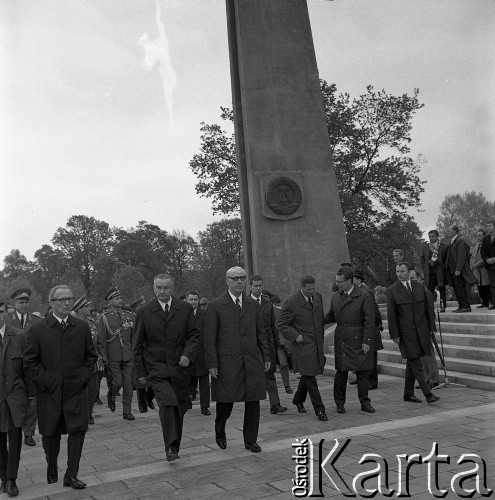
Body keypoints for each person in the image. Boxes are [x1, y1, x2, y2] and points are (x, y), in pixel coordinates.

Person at [23, 285, 97, 490]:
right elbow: (30, 362)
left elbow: (91, 356)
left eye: (69, 299)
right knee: (50, 434)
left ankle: (71, 475)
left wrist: (82, 377)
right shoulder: (38, 330)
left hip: (76, 390)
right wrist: (46, 380)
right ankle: (52, 465)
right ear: (52, 303)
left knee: (78, 430)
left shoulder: (80, 327)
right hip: (49, 393)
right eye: (62, 300)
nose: (67, 303)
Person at [133, 274, 200, 461]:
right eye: (158, 288)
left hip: (179, 368)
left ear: (172, 288)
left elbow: (194, 335)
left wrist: (188, 354)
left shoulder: (184, 308)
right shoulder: (144, 312)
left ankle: (175, 446)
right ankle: (170, 447)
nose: (162, 291)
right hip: (156, 367)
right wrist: (140, 373)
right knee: (168, 401)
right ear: (153, 288)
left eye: (166, 288)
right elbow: (137, 345)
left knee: (180, 407)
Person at [204, 266, 270, 453]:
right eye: (235, 279)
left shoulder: (252, 305)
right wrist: (212, 364)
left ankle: (250, 440)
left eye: (242, 278)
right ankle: (220, 428)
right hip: (227, 363)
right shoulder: (216, 306)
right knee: (226, 401)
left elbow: (260, 332)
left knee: (253, 401)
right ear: (227, 281)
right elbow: (209, 339)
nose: (239, 281)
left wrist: (265, 355)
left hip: (251, 360)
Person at [386, 262, 440, 405]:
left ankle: (408, 394)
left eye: (402, 271)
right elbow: (391, 315)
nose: (399, 274)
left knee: (412, 361)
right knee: (416, 362)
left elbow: (428, 309)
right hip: (405, 333)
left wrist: (431, 327)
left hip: (421, 331)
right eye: (397, 271)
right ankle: (428, 394)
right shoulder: (392, 290)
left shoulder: (420, 287)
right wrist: (394, 334)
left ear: (409, 272)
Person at [325, 268, 376, 414]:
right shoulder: (336, 297)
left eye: (339, 281)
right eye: (336, 280)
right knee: (341, 372)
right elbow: (331, 316)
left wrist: (367, 340)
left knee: (363, 373)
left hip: (358, 338)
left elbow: (369, 320)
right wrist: (315, 320)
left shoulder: (364, 296)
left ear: (349, 281)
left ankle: (365, 402)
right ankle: (339, 403)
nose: (337, 284)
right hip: (341, 338)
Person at [277, 275, 327, 421]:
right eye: (309, 289)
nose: (312, 291)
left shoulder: (317, 297)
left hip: (316, 342)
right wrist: (295, 335)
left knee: (308, 373)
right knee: (310, 376)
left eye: (313, 288)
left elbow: (319, 319)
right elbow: (280, 323)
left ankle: (298, 399)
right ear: (302, 287)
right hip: (302, 345)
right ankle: (320, 409)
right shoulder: (292, 302)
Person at [5, 288, 40, 448]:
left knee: (32, 401)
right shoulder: (6, 320)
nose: (24, 305)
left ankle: (29, 433)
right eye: (20, 302)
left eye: (26, 302)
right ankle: (13, 430)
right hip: (12, 365)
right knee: (13, 399)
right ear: (14, 303)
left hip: (32, 366)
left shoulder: (37, 321)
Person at [0, 301, 27, 497]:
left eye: (0, 311)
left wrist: (31, 396)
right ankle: (3, 478)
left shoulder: (19, 335)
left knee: (15, 437)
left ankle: (11, 479)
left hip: (15, 397)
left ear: (6, 313)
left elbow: (27, 370)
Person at [249, 275, 287, 415]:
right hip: (253, 345)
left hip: (268, 343)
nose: (258, 288)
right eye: (256, 286)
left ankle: (275, 404)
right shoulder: (245, 303)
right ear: (250, 286)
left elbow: (273, 324)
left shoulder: (267, 302)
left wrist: (278, 344)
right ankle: (253, 405)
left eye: (260, 286)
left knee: (270, 374)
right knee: (254, 376)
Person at [97, 287, 135, 420]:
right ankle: (111, 395)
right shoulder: (105, 318)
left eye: (120, 298)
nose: (120, 301)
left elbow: (134, 336)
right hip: (113, 356)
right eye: (117, 298)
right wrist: (104, 357)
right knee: (117, 383)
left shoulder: (129, 316)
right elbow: (101, 340)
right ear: (110, 301)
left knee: (128, 384)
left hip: (128, 355)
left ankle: (127, 411)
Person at [72, 297, 103, 425]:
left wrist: (102, 356)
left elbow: (99, 341)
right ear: (79, 309)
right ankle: (81, 415)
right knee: (81, 391)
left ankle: (89, 413)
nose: (89, 309)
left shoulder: (92, 323)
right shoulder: (72, 323)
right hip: (79, 363)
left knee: (93, 389)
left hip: (94, 362)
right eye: (86, 307)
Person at [352, 270, 383, 390]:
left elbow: (374, 310)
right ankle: (363, 379)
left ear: (359, 280)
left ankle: (372, 381)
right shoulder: (357, 290)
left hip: (371, 328)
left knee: (371, 356)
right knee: (365, 356)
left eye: (353, 279)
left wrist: (378, 323)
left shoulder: (366, 291)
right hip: (364, 328)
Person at [409, 270, 440, 390]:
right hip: (416, 328)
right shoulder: (412, 291)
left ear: (420, 279)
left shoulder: (425, 291)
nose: (412, 281)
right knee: (421, 355)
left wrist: (432, 327)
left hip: (425, 327)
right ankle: (426, 378)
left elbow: (430, 311)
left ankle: (434, 379)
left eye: (414, 278)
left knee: (428, 354)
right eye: (410, 279)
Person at [185, 290, 211, 416]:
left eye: (195, 299)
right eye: (191, 299)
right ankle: (187, 401)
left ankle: (205, 406)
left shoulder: (205, 314)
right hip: (187, 353)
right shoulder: (182, 314)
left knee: (204, 381)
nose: (193, 302)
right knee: (187, 379)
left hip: (202, 353)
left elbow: (208, 333)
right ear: (186, 300)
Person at [129, 296, 155, 414]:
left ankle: (149, 398)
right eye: (141, 305)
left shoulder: (149, 317)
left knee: (153, 379)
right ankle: (142, 406)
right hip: (137, 353)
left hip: (150, 353)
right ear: (135, 309)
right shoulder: (130, 321)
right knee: (140, 381)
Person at [445, 225, 477, 313]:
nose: (447, 232)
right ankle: (461, 305)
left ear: (455, 231)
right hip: (452, 270)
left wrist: (458, 269)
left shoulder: (460, 240)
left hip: (457, 270)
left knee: (460, 287)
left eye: (449, 230)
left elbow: (461, 256)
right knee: (456, 288)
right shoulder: (453, 241)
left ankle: (465, 306)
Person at [422, 229, 448, 312]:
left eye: (433, 236)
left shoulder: (443, 246)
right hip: (430, 272)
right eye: (429, 236)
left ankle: (443, 306)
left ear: (437, 236)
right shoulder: (426, 247)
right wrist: (425, 266)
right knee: (429, 290)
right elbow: (422, 259)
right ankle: (429, 307)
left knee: (442, 289)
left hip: (440, 271)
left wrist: (443, 265)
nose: (431, 238)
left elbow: (447, 258)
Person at [471, 229, 492, 308]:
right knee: (480, 287)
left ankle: (491, 301)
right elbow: (473, 257)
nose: (478, 237)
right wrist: (473, 264)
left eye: (480, 235)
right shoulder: (476, 246)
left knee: (487, 287)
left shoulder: (487, 244)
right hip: (477, 271)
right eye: (477, 235)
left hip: (484, 269)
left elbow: (485, 257)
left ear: (484, 235)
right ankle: (484, 302)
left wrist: (476, 264)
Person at [481, 221, 495, 310]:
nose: (488, 227)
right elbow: (482, 251)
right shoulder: (485, 239)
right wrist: (486, 259)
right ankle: (494, 303)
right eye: (487, 226)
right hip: (490, 265)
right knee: (493, 285)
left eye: (490, 226)